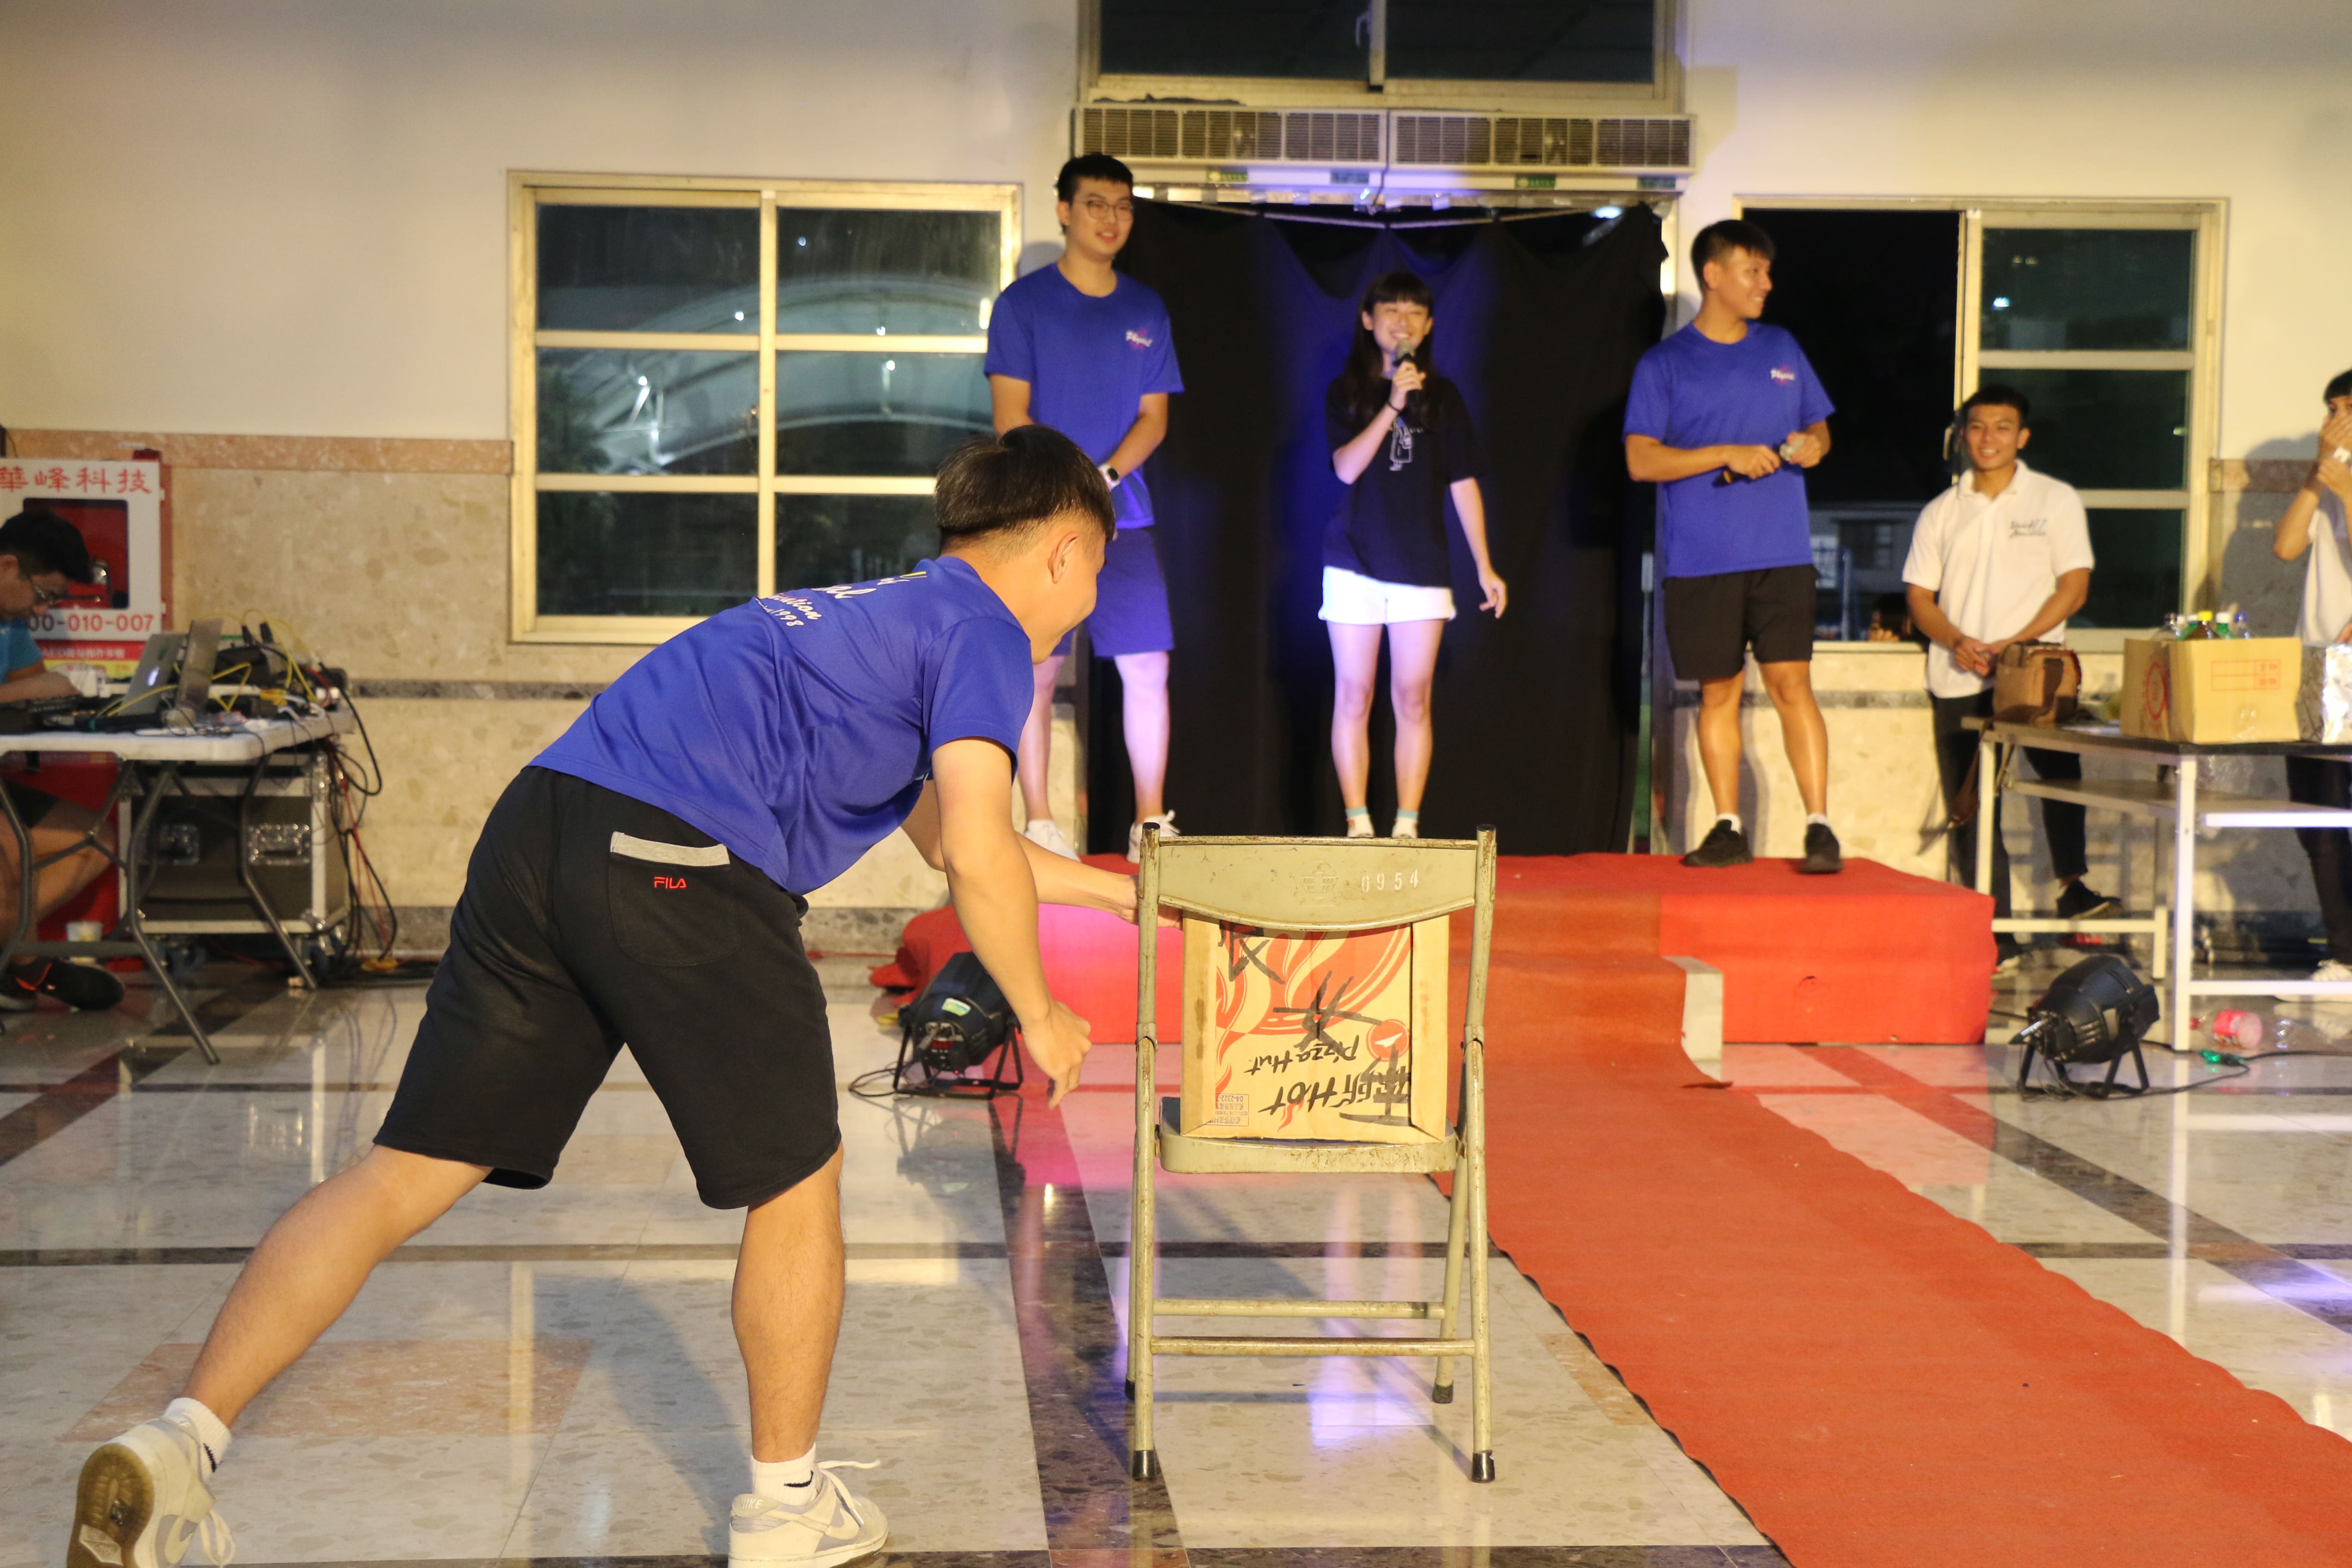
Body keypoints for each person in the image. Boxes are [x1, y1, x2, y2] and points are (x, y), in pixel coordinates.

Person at [66, 427, 1145, 1568]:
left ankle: (179, 1443)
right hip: (680, 856)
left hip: (543, 829)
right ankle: (787, 1510)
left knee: (408, 1170)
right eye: (1096, 574)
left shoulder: (867, 615)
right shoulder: (985, 631)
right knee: (797, 1179)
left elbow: (948, 842)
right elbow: (975, 849)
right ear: (1067, 551)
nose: (1086, 606)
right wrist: (1039, 1011)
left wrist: (1121, 895)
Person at [1625, 218, 1840, 874]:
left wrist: (1811, 445)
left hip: (1783, 554)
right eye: (1753, 271)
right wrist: (1726, 454)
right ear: (1713, 275)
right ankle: (1728, 828)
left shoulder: (1781, 346)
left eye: (1767, 272)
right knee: (1719, 693)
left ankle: (1820, 827)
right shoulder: (1665, 363)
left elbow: (1820, 432)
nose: (1766, 283)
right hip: (1702, 559)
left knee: (1792, 684)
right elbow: (1641, 460)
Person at [987, 151, 1184, 862]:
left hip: (1124, 518)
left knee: (1147, 668)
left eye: (1124, 207)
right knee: (1037, 669)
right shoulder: (1023, 304)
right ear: (1065, 211)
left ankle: (1150, 822)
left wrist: (1103, 477)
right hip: (1041, 517)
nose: (1112, 219)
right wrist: (1066, 487)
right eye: (1097, 204)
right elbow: (1010, 417)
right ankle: (1040, 822)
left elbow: (1154, 418)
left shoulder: (1145, 309)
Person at [1902, 384, 2116, 967]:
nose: (1988, 438)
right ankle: (1993, 934)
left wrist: (2016, 645)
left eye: (2001, 427)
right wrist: (1958, 641)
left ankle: (2073, 886)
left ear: (2022, 436)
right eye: (1977, 427)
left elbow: (2074, 586)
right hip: (1959, 676)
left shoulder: (2054, 499)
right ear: (1962, 436)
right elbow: (1919, 597)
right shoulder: (1941, 511)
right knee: (1973, 805)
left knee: (2061, 780)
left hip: (2037, 672)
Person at [1323, 270, 1506, 838]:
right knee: (1354, 693)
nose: (1403, 323)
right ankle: (1358, 825)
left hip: (1421, 565)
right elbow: (1345, 468)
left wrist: (1485, 565)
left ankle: (1406, 826)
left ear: (1428, 326)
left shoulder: (1444, 398)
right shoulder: (1346, 391)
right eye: (1392, 310)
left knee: (1413, 696)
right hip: (1352, 562)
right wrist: (1392, 406)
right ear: (1368, 319)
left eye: (1415, 313)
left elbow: (1463, 483)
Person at [0, 508, 123, 1011]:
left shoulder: (10, 624)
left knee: (94, 841)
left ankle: (13, 963)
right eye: (42, 595)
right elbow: (33, 689)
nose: (40, 611)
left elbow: (36, 689)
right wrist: (40, 687)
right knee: (6, 866)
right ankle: (32, 969)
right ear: (8, 567)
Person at [2270, 368, 2352, 983]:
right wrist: (2317, 478)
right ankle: (2344, 953)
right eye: (2332, 410)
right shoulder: (2328, 479)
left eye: (2348, 410)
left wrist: (2347, 489)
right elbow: (2286, 547)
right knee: (2317, 815)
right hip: (2316, 666)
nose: (2337, 422)